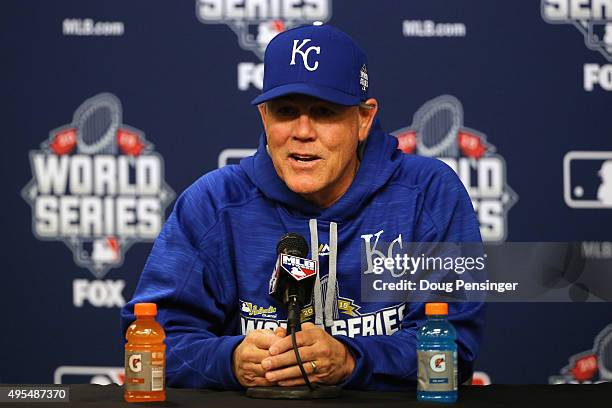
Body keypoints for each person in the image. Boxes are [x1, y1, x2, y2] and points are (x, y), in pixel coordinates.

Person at [120, 23, 484, 391]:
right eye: (286, 111)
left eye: (324, 112)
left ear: (363, 119)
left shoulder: (428, 194)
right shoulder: (215, 203)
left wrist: (351, 360)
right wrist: (228, 361)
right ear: (264, 116)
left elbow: (453, 349)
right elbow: (152, 337)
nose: (303, 131)